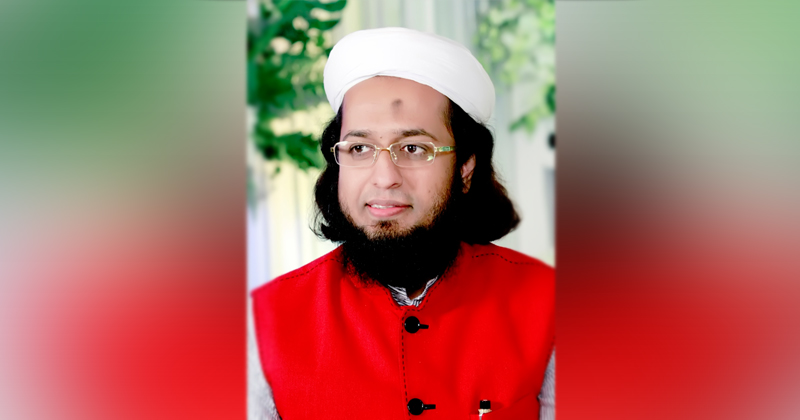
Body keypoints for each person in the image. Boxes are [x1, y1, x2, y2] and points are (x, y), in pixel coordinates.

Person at [250, 27, 554, 420]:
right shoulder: (260, 324)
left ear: (465, 167)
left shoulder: (550, 304)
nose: (384, 178)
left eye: (413, 148)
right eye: (360, 148)